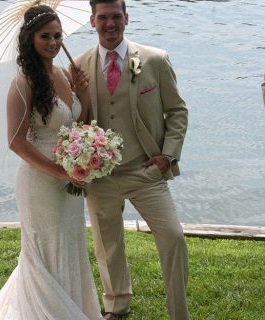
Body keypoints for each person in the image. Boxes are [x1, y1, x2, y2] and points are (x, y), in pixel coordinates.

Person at [0, 5, 103, 320]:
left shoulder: (61, 74)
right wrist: (60, 170)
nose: (54, 42)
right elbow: (16, 142)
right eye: (45, 36)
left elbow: (76, 127)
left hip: (68, 180)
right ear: (30, 39)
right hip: (40, 183)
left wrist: (83, 94)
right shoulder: (23, 82)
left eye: (57, 35)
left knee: (69, 247)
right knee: (46, 251)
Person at [73, 0, 189, 319]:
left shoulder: (154, 59)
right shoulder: (78, 66)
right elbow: (77, 121)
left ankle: (179, 312)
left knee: (174, 237)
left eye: (116, 17)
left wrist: (167, 155)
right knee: (107, 244)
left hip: (146, 171)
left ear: (126, 18)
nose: (110, 24)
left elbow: (177, 112)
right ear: (92, 20)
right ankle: (116, 306)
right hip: (101, 177)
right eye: (103, 18)